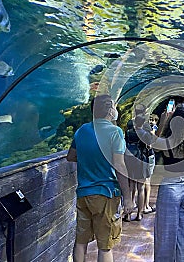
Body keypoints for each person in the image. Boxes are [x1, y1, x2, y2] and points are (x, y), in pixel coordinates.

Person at [66, 94, 133, 262]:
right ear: (110, 110)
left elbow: (71, 156)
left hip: (83, 193)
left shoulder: (82, 130)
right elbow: (120, 165)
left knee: (81, 242)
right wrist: (128, 197)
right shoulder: (115, 132)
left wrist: (90, 158)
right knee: (105, 245)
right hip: (106, 194)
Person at [152, 101, 184, 262]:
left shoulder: (170, 139)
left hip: (170, 187)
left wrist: (164, 122)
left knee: (165, 236)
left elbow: (154, 146)